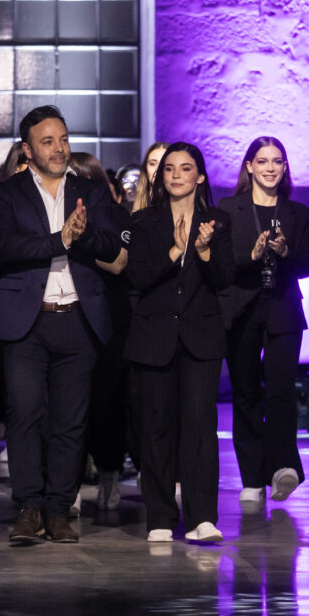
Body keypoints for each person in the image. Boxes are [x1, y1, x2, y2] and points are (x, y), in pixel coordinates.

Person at [0, 105, 120, 545]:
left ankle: (59, 509)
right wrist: (59, 239)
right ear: (28, 149)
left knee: (70, 422)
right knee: (24, 414)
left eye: (63, 139)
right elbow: (7, 245)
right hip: (26, 322)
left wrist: (83, 235)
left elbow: (111, 245)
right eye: (48, 142)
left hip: (77, 318)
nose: (59, 149)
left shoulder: (90, 191)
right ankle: (29, 507)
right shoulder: (6, 193)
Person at [125, 143, 233, 543]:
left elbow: (224, 278)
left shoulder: (217, 221)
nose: (175, 175)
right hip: (154, 336)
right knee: (156, 426)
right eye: (169, 168)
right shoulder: (143, 221)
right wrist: (175, 249)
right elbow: (136, 277)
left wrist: (202, 251)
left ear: (200, 176)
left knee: (200, 425)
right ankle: (160, 516)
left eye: (185, 168)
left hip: (201, 337)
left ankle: (202, 517)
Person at [218, 136, 309, 504]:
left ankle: (284, 468)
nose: (270, 168)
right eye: (262, 161)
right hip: (242, 309)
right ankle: (252, 477)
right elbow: (222, 264)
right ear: (249, 166)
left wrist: (286, 253)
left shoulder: (298, 213)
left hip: (283, 308)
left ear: (285, 167)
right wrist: (252, 254)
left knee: (280, 390)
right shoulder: (228, 209)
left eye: (277, 161)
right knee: (245, 393)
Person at [68, 151, 131, 511]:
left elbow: (119, 262)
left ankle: (109, 472)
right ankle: (69, 484)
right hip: (69, 316)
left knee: (107, 404)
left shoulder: (116, 216)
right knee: (69, 406)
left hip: (109, 320)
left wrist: (76, 245)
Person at [132, 142, 168, 213]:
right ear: (145, 168)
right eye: (152, 164)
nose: (158, 170)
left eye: (164, 164)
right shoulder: (127, 210)